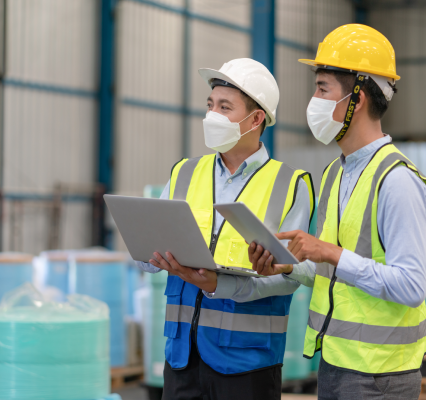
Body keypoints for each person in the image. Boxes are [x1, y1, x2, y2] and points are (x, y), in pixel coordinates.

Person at [248, 24, 426, 400]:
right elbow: (333, 271)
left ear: (359, 98)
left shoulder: (397, 181)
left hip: (380, 377)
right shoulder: (337, 172)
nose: (313, 101)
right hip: (336, 361)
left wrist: (329, 252)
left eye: (322, 89)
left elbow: (412, 286)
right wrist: (287, 265)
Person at [136, 58, 315, 400]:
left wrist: (222, 285)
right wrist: (150, 256)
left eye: (224, 107)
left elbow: (296, 275)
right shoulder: (185, 172)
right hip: (181, 358)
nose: (212, 116)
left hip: (248, 364)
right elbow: (147, 250)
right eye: (210, 106)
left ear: (256, 119)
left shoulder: (290, 184)